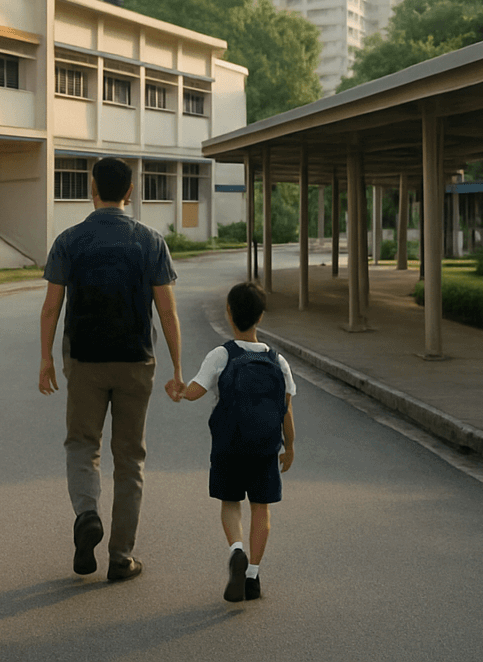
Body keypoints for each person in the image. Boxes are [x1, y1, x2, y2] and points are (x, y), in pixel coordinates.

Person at [38, 157, 184, 582]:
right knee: (130, 458)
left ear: (92, 189)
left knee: (82, 444)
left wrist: (46, 358)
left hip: (84, 361)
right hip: (136, 360)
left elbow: (51, 307)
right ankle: (120, 556)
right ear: (131, 190)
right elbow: (168, 311)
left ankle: (87, 515)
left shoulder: (69, 240)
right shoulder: (151, 241)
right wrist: (177, 367)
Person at [172, 281, 295, 602]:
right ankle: (252, 575)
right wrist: (290, 446)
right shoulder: (278, 361)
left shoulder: (221, 355)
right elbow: (286, 409)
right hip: (266, 449)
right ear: (261, 317)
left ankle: (236, 550)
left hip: (229, 446)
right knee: (260, 509)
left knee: (230, 504)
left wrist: (180, 391)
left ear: (228, 313)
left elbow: (195, 392)